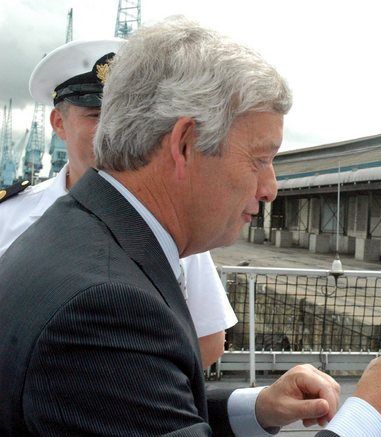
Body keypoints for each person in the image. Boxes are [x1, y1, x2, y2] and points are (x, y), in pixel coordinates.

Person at [0, 17, 381, 437]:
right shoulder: (105, 305)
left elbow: (133, 402)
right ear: (184, 143)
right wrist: (369, 418)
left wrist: (258, 407)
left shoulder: (84, 235)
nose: (270, 188)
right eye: (260, 158)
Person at [0, 38, 235, 369]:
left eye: (121, 116)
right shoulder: (8, 217)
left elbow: (209, 340)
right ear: (58, 123)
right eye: (95, 114)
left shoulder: (171, 220)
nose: (110, 131)